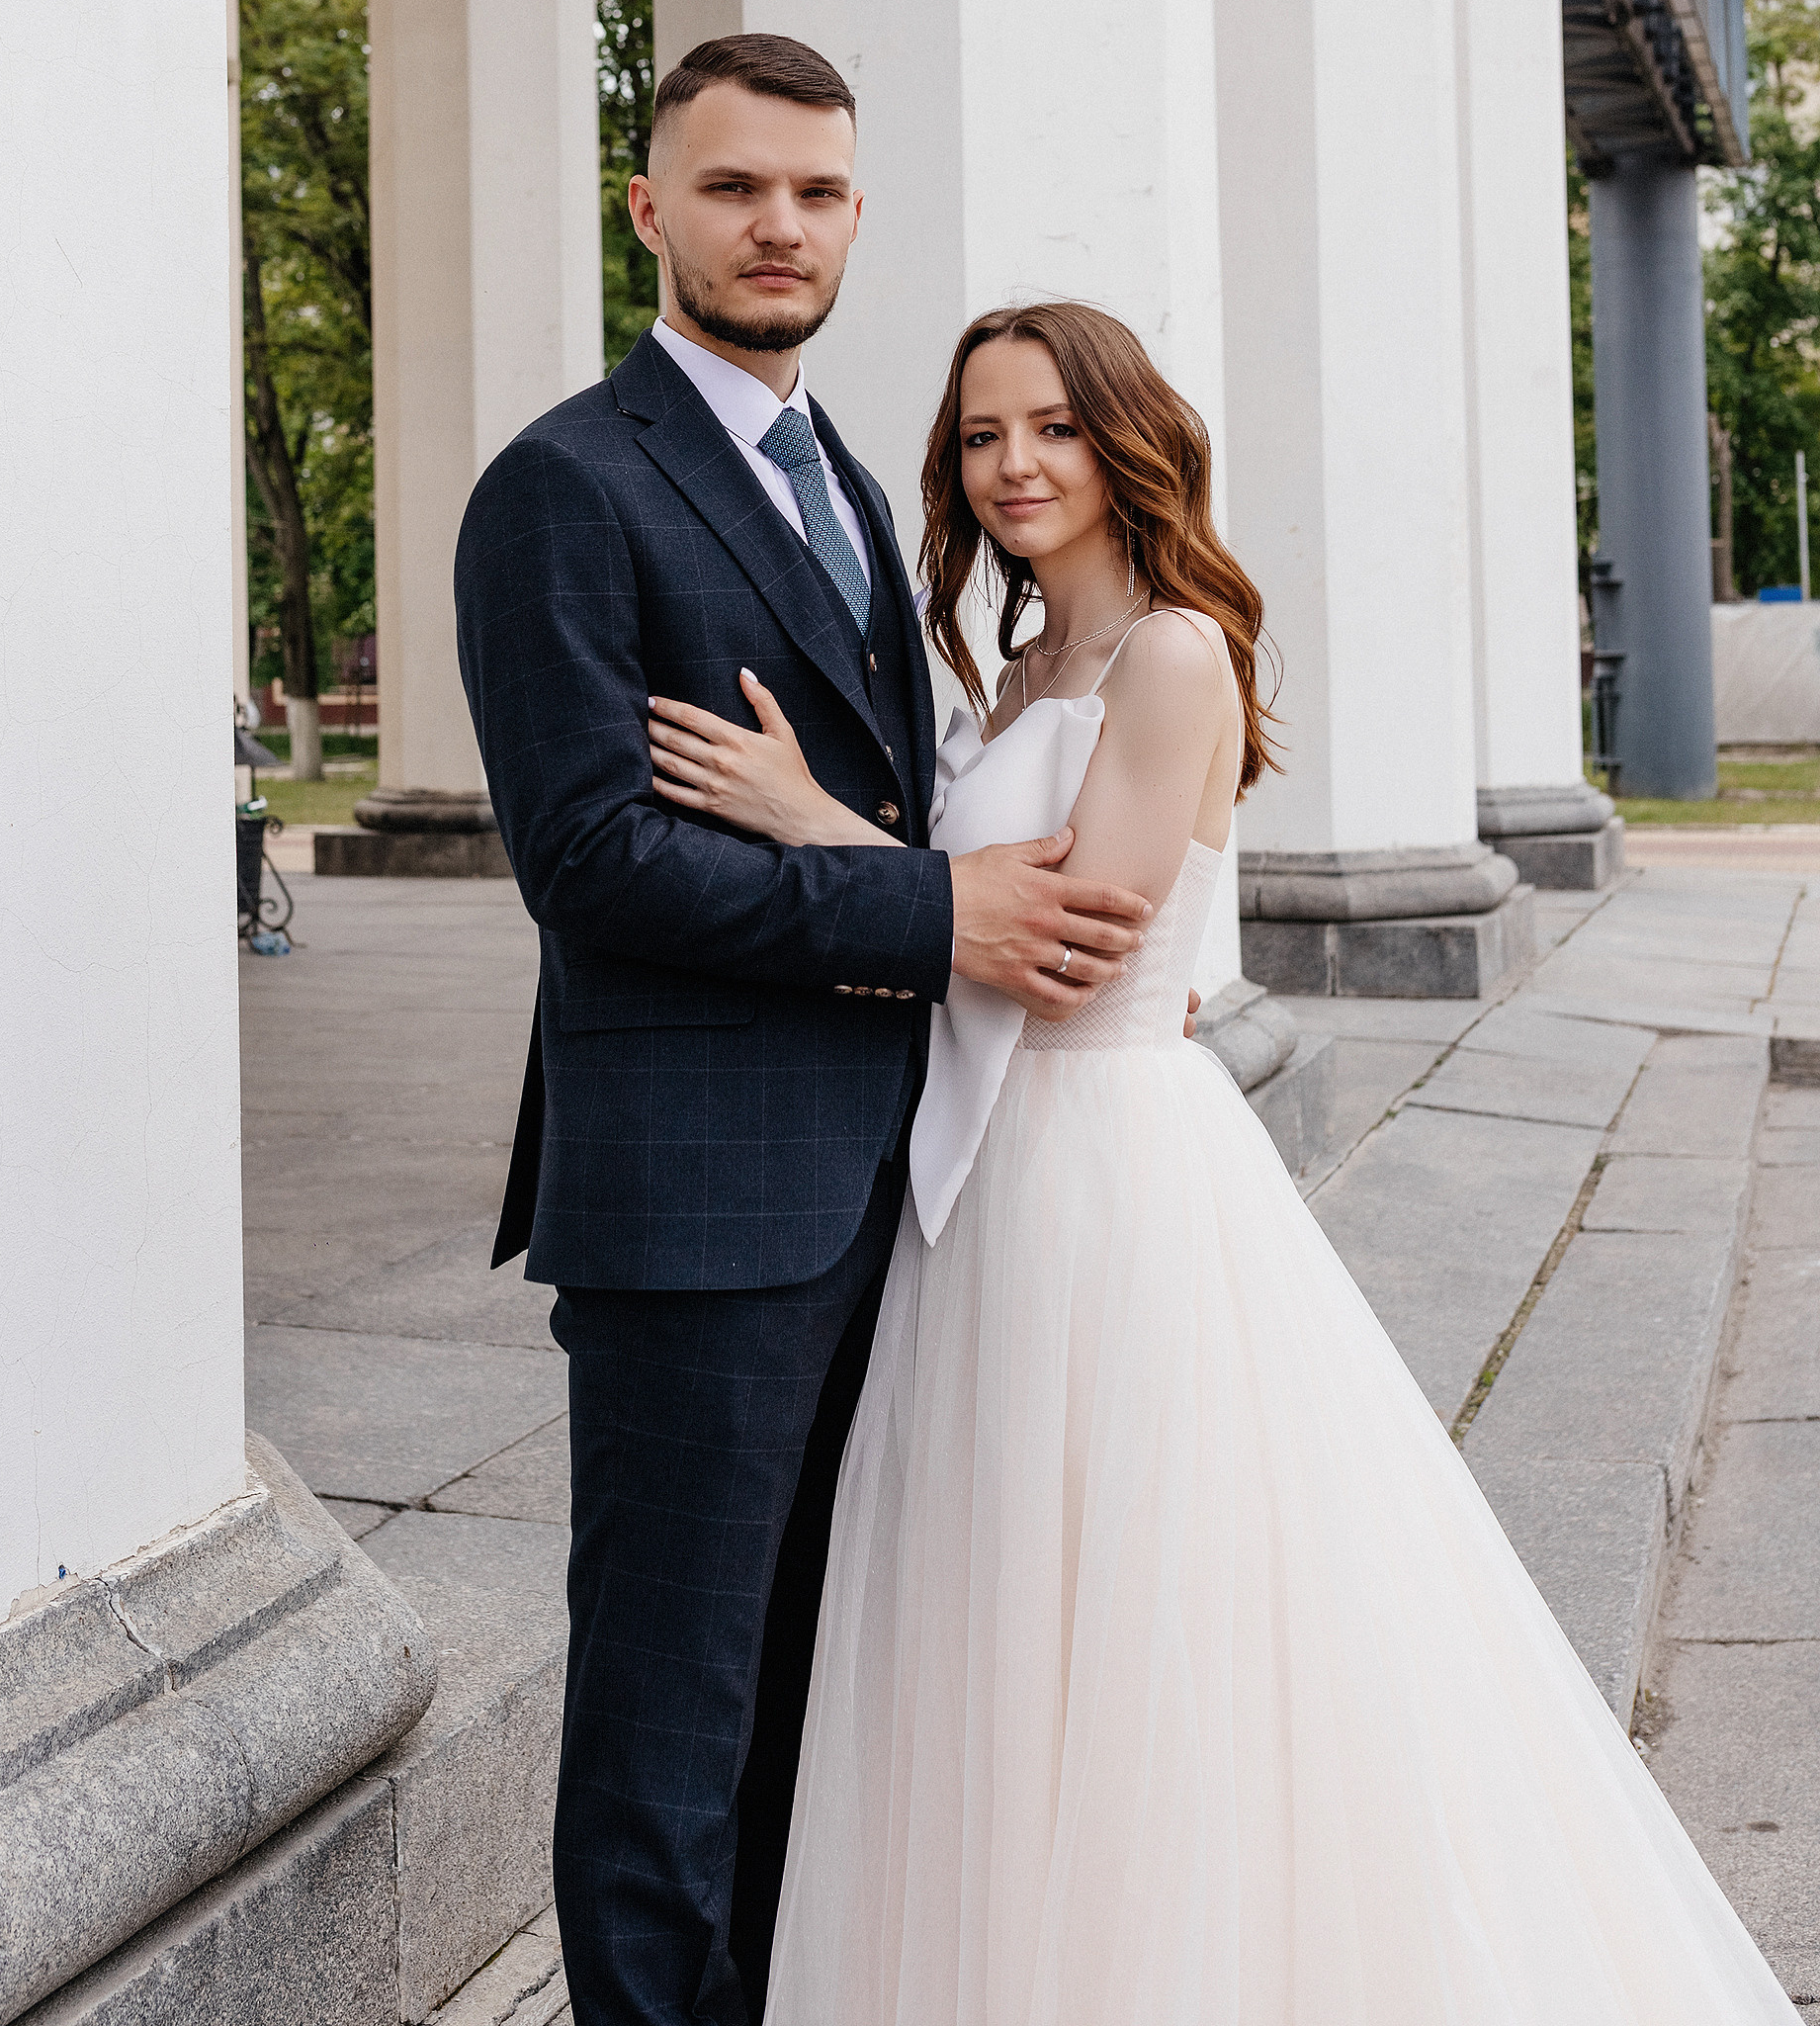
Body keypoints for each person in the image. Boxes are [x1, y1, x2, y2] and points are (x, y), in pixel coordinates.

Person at [648, 300, 1799, 2026]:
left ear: (1126, 442)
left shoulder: (1174, 655)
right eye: (980, 436)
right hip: (969, 1197)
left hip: (1104, 1179)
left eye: (1050, 426)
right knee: (985, 1621)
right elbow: (975, 920)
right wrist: (893, 871)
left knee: (1134, 1624)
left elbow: (1076, 959)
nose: (1014, 464)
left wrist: (807, 822)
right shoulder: (1005, 670)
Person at [455, 40, 1184, 2026]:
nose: (777, 225)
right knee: (669, 1722)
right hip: (699, 1211)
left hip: (903, 1200)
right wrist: (927, 906)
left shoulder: (859, 484)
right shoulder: (564, 484)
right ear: (652, 212)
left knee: (815, 1697)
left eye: (816, 193)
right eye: (733, 187)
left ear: (853, 218)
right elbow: (590, 862)